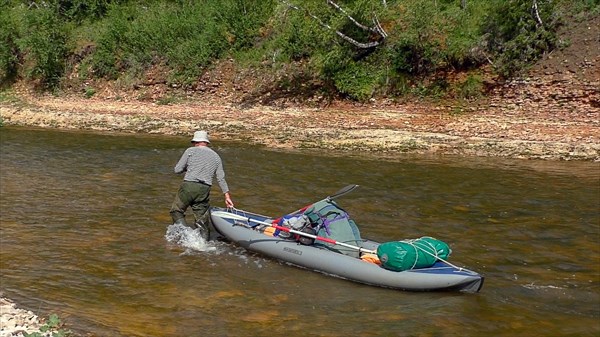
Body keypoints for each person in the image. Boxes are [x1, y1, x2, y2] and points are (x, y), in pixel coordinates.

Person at [170, 130, 234, 240]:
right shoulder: (216, 157)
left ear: (195, 142)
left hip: (189, 186)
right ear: (206, 142)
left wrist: (188, 168)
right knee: (201, 219)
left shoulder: (190, 151)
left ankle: (186, 237)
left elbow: (177, 170)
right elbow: (221, 178)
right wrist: (227, 196)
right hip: (204, 189)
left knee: (176, 211)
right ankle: (204, 244)